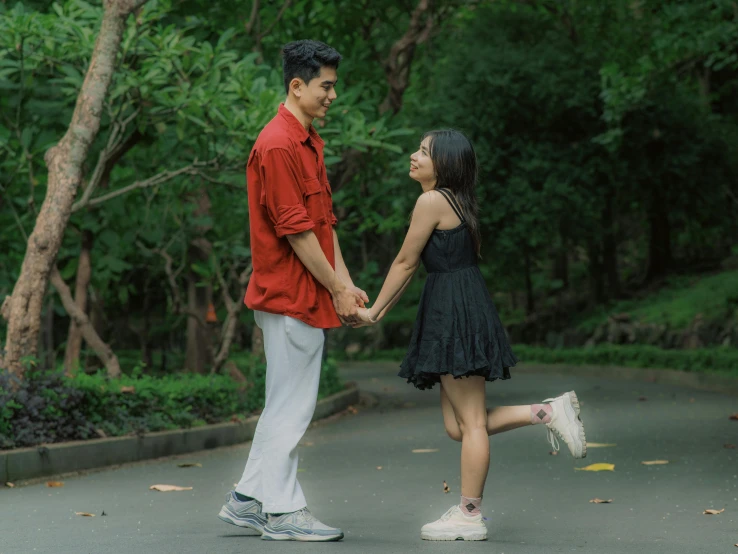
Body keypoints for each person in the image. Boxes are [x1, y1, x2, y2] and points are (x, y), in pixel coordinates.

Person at [355, 129, 587, 541]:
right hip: (457, 306)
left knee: (472, 424)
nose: (413, 156)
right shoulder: (456, 201)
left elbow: (406, 262)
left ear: (444, 163)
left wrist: (373, 311)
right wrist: (379, 312)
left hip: (454, 313)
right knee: (458, 426)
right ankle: (548, 412)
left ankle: (469, 514)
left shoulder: (431, 200)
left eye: (423, 152)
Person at [217, 40, 367, 542]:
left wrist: (344, 287)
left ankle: (246, 501)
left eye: (334, 87)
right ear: (296, 85)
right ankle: (281, 512)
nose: (332, 96)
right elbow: (297, 231)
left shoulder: (306, 140)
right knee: (292, 406)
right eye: (326, 86)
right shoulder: (279, 144)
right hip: (289, 295)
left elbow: (324, 223)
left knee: (283, 401)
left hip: (304, 293)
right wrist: (336, 291)